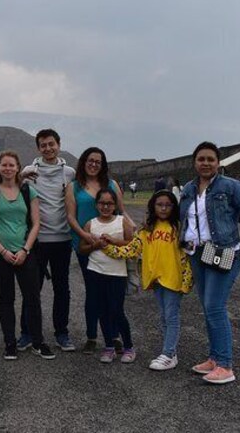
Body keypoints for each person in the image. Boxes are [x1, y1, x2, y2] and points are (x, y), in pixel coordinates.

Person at [179, 141, 240, 384]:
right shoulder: (188, 188)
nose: (205, 163)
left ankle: (226, 365)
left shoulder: (230, 186)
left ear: (218, 163)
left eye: (210, 159)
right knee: (207, 307)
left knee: (215, 307)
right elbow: (183, 219)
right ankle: (215, 358)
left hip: (224, 252)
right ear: (194, 163)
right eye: (201, 159)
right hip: (197, 253)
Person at [100, 190, 192, 370]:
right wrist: (108, 248)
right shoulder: (146, 230)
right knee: (165, 317)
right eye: (160, 204)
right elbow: (131, 250)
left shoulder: (179, 228)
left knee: (171, 316)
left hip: (174, 278)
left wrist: (187, 280)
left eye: (168, 205)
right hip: (156, 279)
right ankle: (169, 353)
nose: (164, 208)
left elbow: (186, 256)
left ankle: (168, 353)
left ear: (174, 207)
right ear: (153, 206)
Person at [0, 151, 54, 361]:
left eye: (11, 165)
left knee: (32, 298)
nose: (7, 168)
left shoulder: (28, 191)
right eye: (4, 165)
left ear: (17, 167)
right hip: (0, 254)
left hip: (26, 253)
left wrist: (25, 249)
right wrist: (3, 251)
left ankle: (38, 341)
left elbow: (36, 223)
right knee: (6, 299)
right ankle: (10, 343)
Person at [66, 147, 134, 354]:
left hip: (111, 245)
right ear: (83, 162)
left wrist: (132, 228)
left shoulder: (111, 185)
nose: (93, 164)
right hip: (86, 245)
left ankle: (112, 336)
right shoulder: (74, 186)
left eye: (98, 161)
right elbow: (70, 216)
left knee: (111, 294)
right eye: (90, 160)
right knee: (93, 293)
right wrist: (85, 236)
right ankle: (91, 336)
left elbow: (122, 211)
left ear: (103, 164)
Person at [18, 129, 77, 352]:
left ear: (59, 145)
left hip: (62, 238)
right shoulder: (29, 171)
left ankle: (62, 333)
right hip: (37, 239)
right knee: (32, 289)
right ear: (38, 148)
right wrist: (21, 177)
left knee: (62, 288)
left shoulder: (69, 173)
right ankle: (27, 333)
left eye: (51, 144)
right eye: (43, 145)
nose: (48, 148)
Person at [78, 188, 136, 363]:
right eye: (102, 203)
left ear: (115, 205)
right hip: (96, 270)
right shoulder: (90, 224)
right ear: (96, 205)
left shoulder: (121, 221)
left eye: (109, 203)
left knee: (117, 310)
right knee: (102, 310)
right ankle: (109, 346)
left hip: (117, 273)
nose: (105, 207)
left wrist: (114, 241)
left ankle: (128, 346)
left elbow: (132, 244)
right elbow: (82, 248)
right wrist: (94, 246)